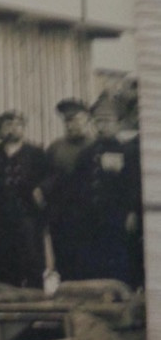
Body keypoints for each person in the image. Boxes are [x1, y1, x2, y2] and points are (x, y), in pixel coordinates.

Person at [63, 93, 142, 285]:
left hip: (117, 217)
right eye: (98, 122)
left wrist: (133, 212)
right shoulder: (87, 153)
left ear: (119, 123)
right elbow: (76, 185)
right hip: (91, 218)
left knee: (120, 262)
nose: (102, 126)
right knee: (95, 263)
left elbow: (134, 184)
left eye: (107, 121)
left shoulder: (128, 151)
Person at [0, 111, 49, 287]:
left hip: (28, 217)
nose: (13, 129)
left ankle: (36, 304)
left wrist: (42, 189)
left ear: (23, 129)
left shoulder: (36, 153)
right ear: (1, 129)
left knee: (32, 263)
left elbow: (51, 175)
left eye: (18, 125)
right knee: (5, 266)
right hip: (1, 219)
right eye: (8, 125)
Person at [35, 98, 93, 279]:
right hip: (61, 213)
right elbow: (44, 175)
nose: (71, 125)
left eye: (76, 120)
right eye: (67, 121)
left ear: (87, 120)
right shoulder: (56, 147)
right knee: (64, 257)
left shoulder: (95, 146)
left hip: (89, 213)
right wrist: (40, 190)